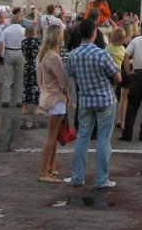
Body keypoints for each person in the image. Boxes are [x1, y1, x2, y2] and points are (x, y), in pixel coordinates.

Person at [67, 18, 121, 189]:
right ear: (94, 33)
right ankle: (101, 178)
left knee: (82, 138)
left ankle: (77, 177)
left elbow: (72, 76)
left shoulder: (73, 55)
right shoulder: (101, 54)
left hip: (85, 98)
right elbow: (116, 76)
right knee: (104, 140)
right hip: (104, 98)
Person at [36, 24, 70, 183]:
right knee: (51, 136)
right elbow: (62, 80)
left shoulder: (42, 55)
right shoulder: (54, 57)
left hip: (46, 95)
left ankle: (50, 167)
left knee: (53, 135)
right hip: (55, 97)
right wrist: (67, 94)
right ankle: (44, 171)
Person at [0, 6, 26, 107]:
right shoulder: (23, 30)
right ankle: (19, 100)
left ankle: (6, 100)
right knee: (19, 78)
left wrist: (1, 54)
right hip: (20, 52)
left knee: (7, 78)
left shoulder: (6, 30)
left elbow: (1, 43)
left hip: (9, 51)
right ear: (20, 22)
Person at [21, 24, 41, 114]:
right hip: (35, 64)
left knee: (26, 85)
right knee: (36, 85)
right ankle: (37, 107)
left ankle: (24, 107)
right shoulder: (38, 42)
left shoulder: (23, 42)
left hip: (27, 64)